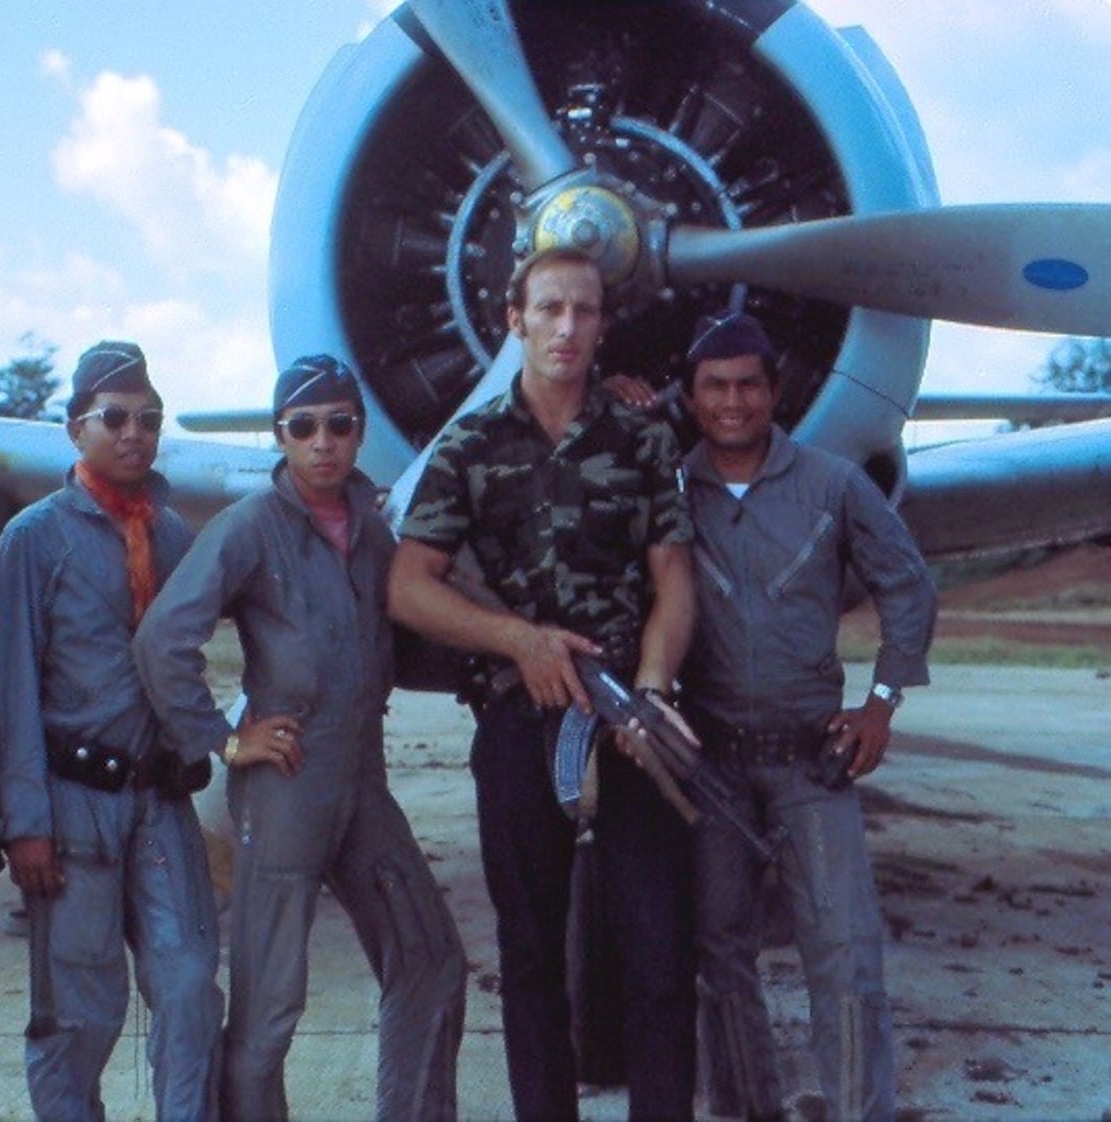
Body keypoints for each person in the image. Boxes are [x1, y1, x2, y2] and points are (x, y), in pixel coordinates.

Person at [388, 246, 699, 1121]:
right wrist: (515, 639)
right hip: (520, 724)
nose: (567, 327)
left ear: (603, 324)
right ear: (514, 320)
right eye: (550, 309)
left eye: (585, 311)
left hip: (628, 726)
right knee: (528, 960)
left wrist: (653, 686)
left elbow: (674, 576)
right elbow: (409, 584)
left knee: (661, 956)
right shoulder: (470, 444)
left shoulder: (642, 439)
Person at [134, 355, 468, 1121]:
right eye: (304, 426)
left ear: (359, 430)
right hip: (286, 780)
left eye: (340, 424)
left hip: (362, 779)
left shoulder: (378, 534)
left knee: (432, 960)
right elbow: (163, 640)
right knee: (268, 1008)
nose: (324, 442)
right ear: (281, 435)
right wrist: (221, 740)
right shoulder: (250, 527)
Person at [677, 310, 936, 1122]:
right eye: (714, 386)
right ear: (689, 398)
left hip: (811, 760)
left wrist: (882, 703)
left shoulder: (833, 483)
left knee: (846, 952)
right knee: (718, 953)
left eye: (749, 384)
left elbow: (909, 585)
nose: (732, 402)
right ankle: (747, 1105)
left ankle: (861, 1109)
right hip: (710, 762)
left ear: (776, 391)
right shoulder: (668, 491)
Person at [0, 341, 223, 1121]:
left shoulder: (176, 537)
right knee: (81, 1015)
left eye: (149, 419)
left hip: (159, 798)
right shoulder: (34, 538)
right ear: (74, 428)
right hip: (72, 802)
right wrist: (25, 823)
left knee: (190, 987)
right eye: (114, 417)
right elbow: (11, 689)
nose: (134, 434)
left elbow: (190, 659)